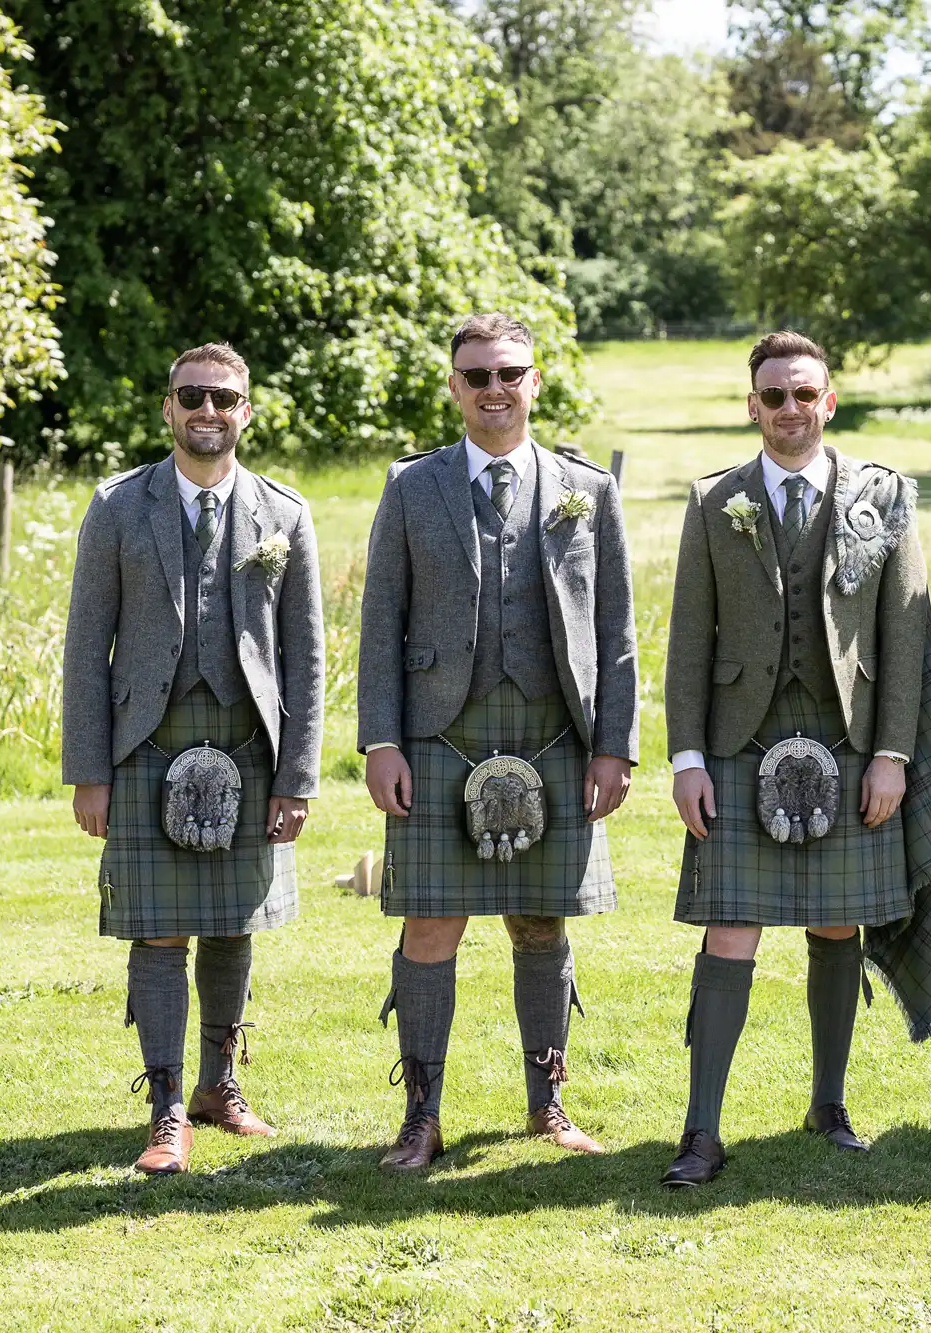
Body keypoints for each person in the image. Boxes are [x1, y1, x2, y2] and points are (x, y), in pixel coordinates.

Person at [660, 330, 931, 1188]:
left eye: (804, 394)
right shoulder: (714, 499)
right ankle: (701, 1130)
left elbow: (908, 634)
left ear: (828, 401)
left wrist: (895, 756)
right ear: (751, 405)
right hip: (738, 743)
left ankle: (828, 1105)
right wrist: (687, 757)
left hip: (851, 742)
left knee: (838, 922)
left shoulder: (884, 494)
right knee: (732, 928)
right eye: (773, 396)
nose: (789, 409)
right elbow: (689, 640)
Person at [359, 313, 637, 1171]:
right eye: (476, 375)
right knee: (430, 923)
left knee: (541, 923)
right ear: (454, 386)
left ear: (535, 381)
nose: (494, 389)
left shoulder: (586, 488)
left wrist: (614, 745)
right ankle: (422, 1115)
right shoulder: (413, 487)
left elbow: (617, 629)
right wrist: (381, 740)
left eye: (509, 373)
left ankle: (548, 1104)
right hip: (441, 730)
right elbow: (381, 624)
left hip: (556, 729)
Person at [63, 341, 325, 1174]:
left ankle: (221, 1084)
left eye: (223, 397)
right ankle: (167, 1105)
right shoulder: (116, 507)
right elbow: (84, 648)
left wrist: (299, 777)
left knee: (234, 923)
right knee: (159, 928)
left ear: (247, 410)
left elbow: (307, 658)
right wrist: (89, 770)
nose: (207, 411)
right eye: (192, 397)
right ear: (168, 409)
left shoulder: (285, 514)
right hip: (146, 742)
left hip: (252, 746)